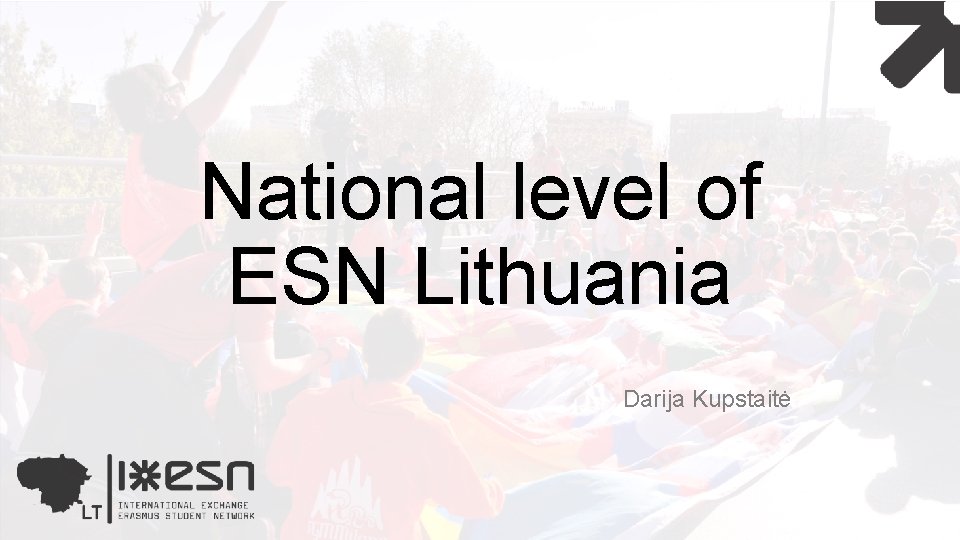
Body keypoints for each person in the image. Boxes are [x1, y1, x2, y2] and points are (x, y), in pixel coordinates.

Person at [268, 307, 503, 540]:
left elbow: (277, 473)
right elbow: (476, 503)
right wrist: (495, 487)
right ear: (417, 362)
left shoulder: (308, 406)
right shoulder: (428, 430)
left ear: (366, 354)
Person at [106, 2, 284, 271]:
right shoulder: (180, 135)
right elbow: (237, 66)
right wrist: (274, 7)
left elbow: (180, 78)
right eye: (178, 88)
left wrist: (200, 32)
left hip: (154, 264)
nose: (184, 88)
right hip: (188, 264)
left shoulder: (144, 139)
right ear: (167, 98)